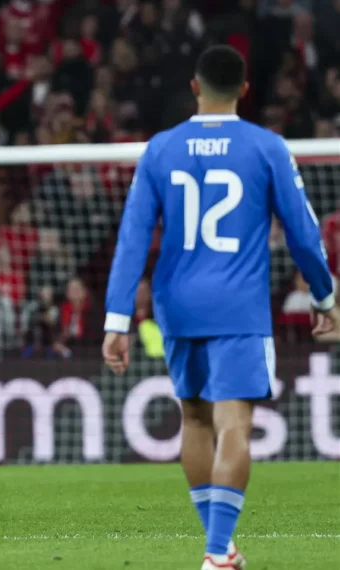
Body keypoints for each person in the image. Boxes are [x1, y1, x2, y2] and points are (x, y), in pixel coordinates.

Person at [102, 45, 338, 570]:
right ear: (245, 90)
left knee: (194, 418)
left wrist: (117, 319)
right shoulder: (266, 147)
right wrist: (325, 296)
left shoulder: (161, 149)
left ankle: (221, 548)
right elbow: (303, 233)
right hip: (238, 303)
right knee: (234, 423)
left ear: (194, 87)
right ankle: (215, 552)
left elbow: (132, 239)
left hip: (176, 303)